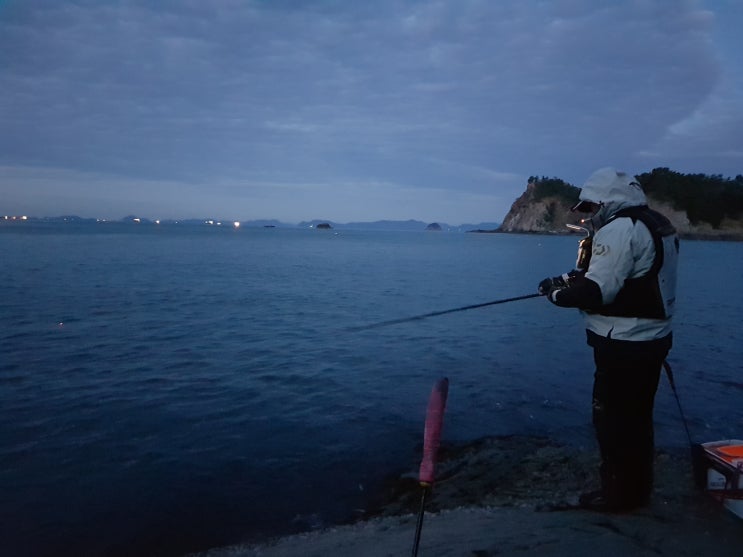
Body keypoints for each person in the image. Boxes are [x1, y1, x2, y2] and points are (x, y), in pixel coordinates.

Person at [538, 167, 679, 512]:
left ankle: (618, 498)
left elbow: (599, 291)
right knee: (638, 419)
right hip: (653, 338)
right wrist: (563, 279)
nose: (588, 214)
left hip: (623, 343)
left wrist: (555, 295)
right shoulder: (656, 223)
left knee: (612, 421)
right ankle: (637, 491)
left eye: (590, 206)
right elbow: (619, 271)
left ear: (607, 201)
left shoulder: (619, 229)